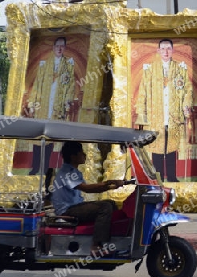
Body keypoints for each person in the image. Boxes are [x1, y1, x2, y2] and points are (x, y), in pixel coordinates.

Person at [51, 141, 124, 256]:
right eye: (81, 153)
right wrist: (110, 182)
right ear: (73, 156)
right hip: (68, 210)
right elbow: (87, 189)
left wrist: (113, 185)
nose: (84, 155)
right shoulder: (67, 172)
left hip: (74, 207)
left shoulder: (74, 171)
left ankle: (109, 240)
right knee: (105, 207)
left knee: (111, 203)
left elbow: (94, 189)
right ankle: (95, 245)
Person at [134, 38, 193, 182]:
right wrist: (142, 115)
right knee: (157, 146)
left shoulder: (180, 69)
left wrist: (186, 105)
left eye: (168, 49)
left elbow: (188, 90)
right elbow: (143, 93)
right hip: (156, 115)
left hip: (174, 116)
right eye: (163, 49)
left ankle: (172, 177)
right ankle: (158, 177)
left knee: (172, 146)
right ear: (158, 51)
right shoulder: (150, 69)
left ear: (172, 51)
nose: (166, 52)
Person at [23, 37, 77, 175]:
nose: (59, 48)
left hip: (57, 106)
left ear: (65, 49)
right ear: (53, 48)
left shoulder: (68, 65)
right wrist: (33, 104)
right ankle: (35, 167)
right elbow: (37, 85)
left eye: (62, 46)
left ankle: (46, 168)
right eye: (57, 46)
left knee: (51, 136)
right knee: (38, 136)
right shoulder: (44, 65)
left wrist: (67, 103)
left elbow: (70, 86)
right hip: (43, 104)